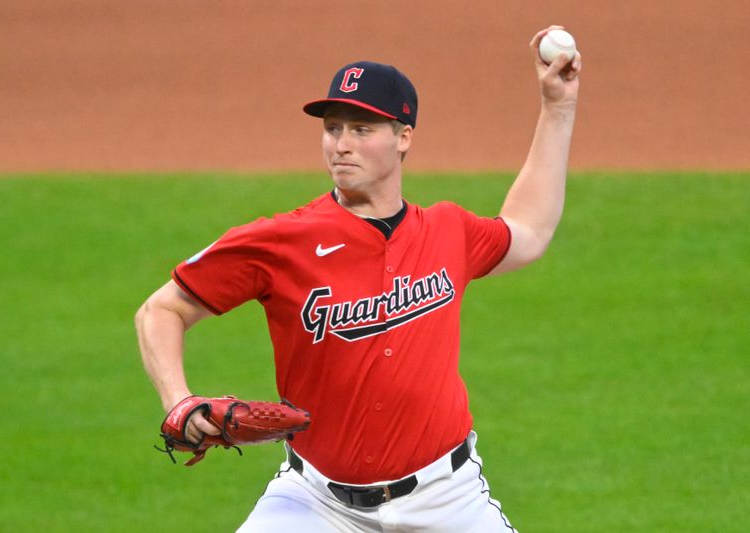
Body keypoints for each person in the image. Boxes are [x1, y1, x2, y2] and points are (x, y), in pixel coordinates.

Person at [135, 25, 581, 532]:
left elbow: (529, 230)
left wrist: (557, 107)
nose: (341, 145)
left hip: (446, 499)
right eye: (333, 128)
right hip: (315, 502)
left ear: (403, 136)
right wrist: (180, 401)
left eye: (361, 129)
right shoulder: (281, 240)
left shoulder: (447, 230)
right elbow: (162, 309)